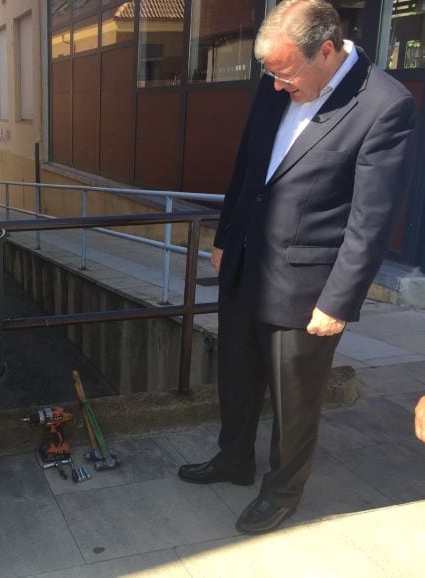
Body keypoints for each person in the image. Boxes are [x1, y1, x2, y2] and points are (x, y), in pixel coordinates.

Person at [177, 0, 417, 535]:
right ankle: (233, 459)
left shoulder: (385, 106)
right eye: (272, 73)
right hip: (245, 264)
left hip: (308, 284)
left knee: (294, 400)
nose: (278, 85)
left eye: (286, 73)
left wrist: (339, 300)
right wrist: (225, 235)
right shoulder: (277, 80)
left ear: (326, 50)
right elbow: (248, 164)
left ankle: (282, 490)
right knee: (235, 377)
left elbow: (371, 219)